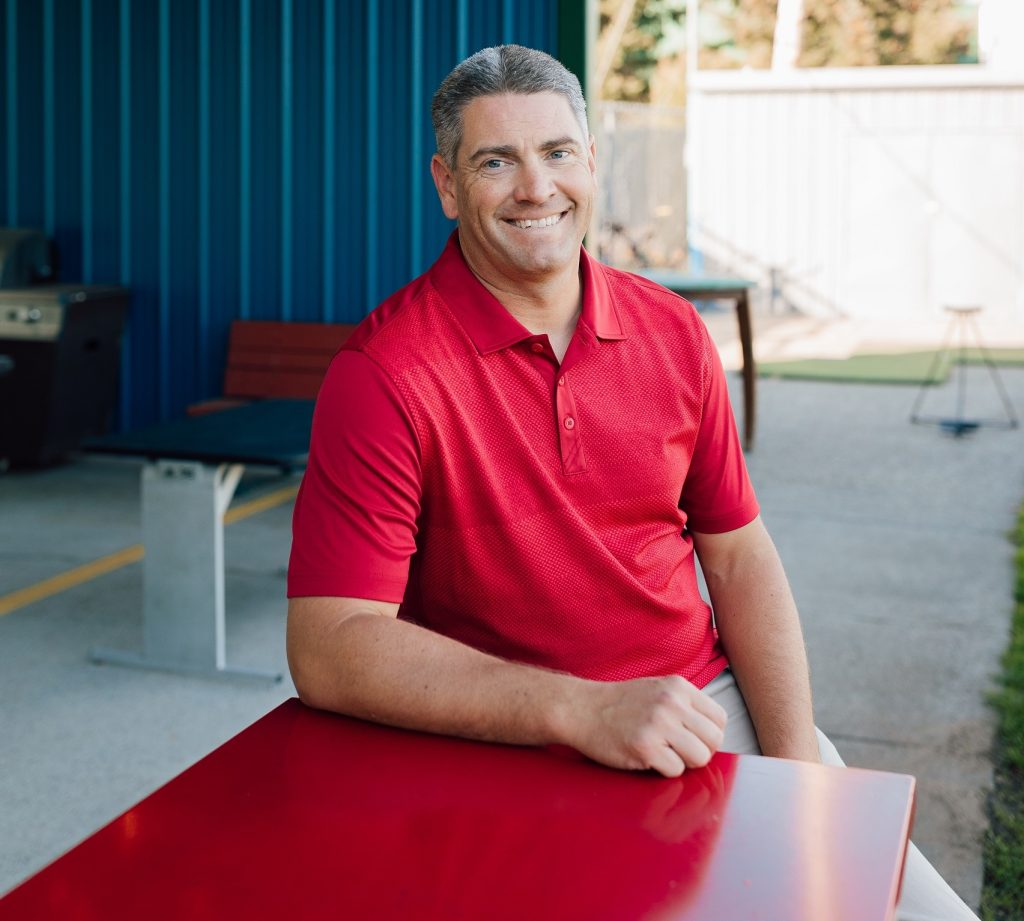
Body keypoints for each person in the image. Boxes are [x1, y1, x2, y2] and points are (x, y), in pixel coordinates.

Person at [287, 44, 978, 921]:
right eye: (496, 160)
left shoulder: (673, 332)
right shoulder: (385, 373)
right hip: (503, 738)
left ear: (591, 163)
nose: (536, 187)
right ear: (447, 185)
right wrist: (581, 709)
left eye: (558, 152)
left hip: (702, 709)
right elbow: (330, 643)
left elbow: (738, 558)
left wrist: (797, 764)